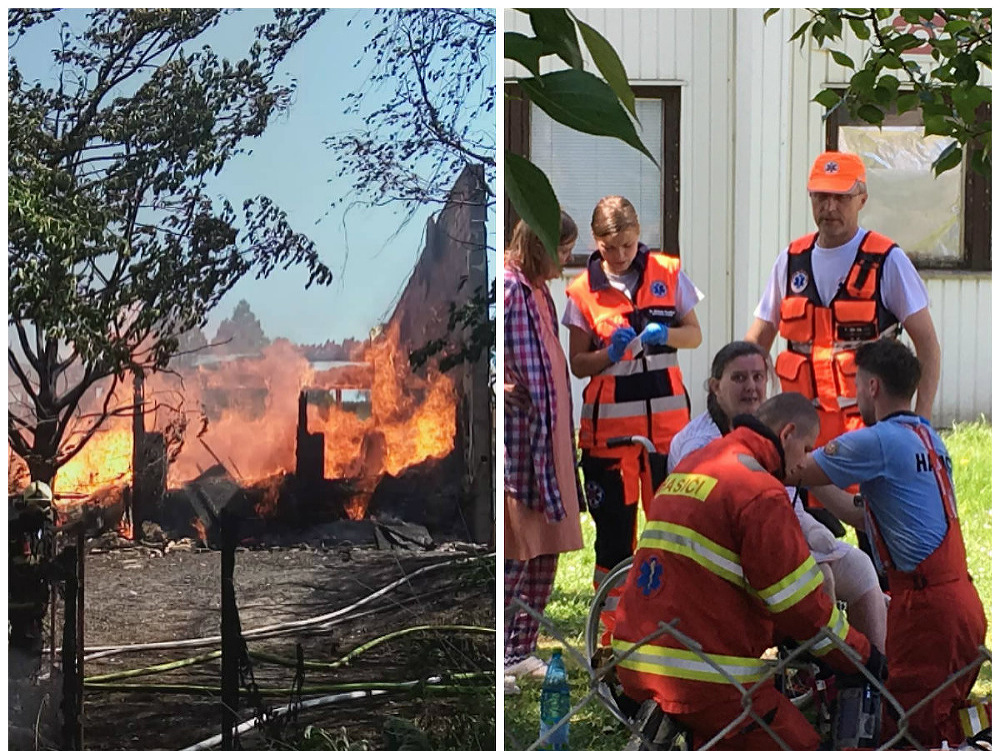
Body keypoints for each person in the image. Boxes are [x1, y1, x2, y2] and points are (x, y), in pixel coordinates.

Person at [613, 393, 882, 751]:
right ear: (787, 434)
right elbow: (800, 606)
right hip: (705, 677)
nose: (804, 464)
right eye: (806, 449)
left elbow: (716, 580)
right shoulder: (761, 493)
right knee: (801, 743)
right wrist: (861, 656)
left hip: (636, 657)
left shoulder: (696, 463)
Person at [788, 338, 987, 748]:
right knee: (939, 716)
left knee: (910, 731)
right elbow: (861, 513)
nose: (854, 393)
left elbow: (793, 468)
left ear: (874, 387)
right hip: (959, 601)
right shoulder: (926, 438)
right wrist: (817, 479)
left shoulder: (876, 440)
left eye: (857, 384)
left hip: (928, 609)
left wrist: (789, 437)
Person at [667, 341, 886, 651]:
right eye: (739, 378)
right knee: (818, 575)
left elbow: (818, 492)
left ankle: (873, 680)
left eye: (758, 377)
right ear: (715, 386)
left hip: (779, 536)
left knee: (860, 566)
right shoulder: (698, 444)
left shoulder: (777, 430)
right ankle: (829, 665)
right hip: (724, 552)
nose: (752, 387)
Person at [562, 195, 703, 642]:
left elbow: (695, 335)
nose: (620, 255)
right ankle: (613, 639)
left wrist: (666, 334)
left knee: (673, 535)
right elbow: (578, 364)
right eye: (610, 247)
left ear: (638, 234)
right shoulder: (582, 291)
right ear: (595, 242)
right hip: (610, 440)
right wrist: (609, 353)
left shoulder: (668, 273)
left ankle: (672, 629)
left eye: (627, 244)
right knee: (614, 545)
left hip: (668, 436)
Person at [503, 213, 585, 694]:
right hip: (525, 443)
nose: (568, 258)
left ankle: (520, 649)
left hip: (552, 442)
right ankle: (498, 655)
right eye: (563, 248)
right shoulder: (512, 290)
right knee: (520, 548)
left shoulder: (541, 290)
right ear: (540, 245)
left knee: (547, 550)